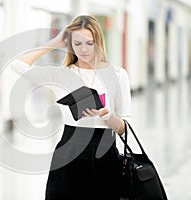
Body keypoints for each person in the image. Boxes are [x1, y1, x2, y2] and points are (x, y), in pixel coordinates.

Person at [10, 15, 131, 199]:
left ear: (98, 42)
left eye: (89, 43)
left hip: (105, 156)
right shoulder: (62, 74)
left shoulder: (118, 74)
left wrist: (107, 116)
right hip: (68, 155)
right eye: (77, 43)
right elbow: (17, 65)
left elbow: (125, 130)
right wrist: (54, 42)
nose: (83, 49)